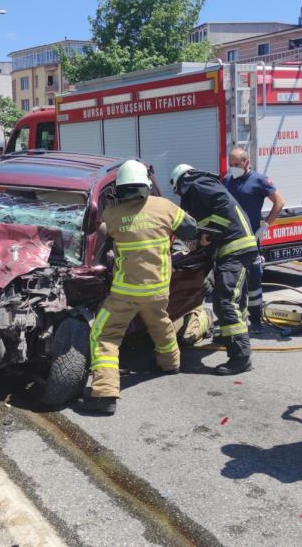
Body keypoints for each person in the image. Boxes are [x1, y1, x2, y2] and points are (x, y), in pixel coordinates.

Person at [77, 160, 198, 415]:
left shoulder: (112, 214)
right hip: (157, 289)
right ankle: (171, 363)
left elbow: (97, 239)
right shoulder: (164, 207)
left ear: (119, 188)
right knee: (160, 323)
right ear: (146, 184)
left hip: (125, 293)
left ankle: (104, 393)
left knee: (104, 335)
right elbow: (190, 229)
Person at [172, 163, 258, 375]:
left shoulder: (197, 184)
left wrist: (211, 232)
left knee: (225, 300)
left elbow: (221, 209)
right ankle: (232, 335)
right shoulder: (204, 187)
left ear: (181, 182)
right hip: (236, 246)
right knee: (237, 298)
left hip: (234, 247)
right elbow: (206, 229)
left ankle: (240, 357)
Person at [224, 147, 285, 334]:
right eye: (230, 164)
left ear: (246, 162)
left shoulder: (258, 180)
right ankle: (237, 321)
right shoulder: (227, 180)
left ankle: (256, 320)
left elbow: (279, 202)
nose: (233, 168)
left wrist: (265, 225)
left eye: (236, 164)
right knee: (235, 284)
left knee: (254, 282)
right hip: (231, 240)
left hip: (250, 241)